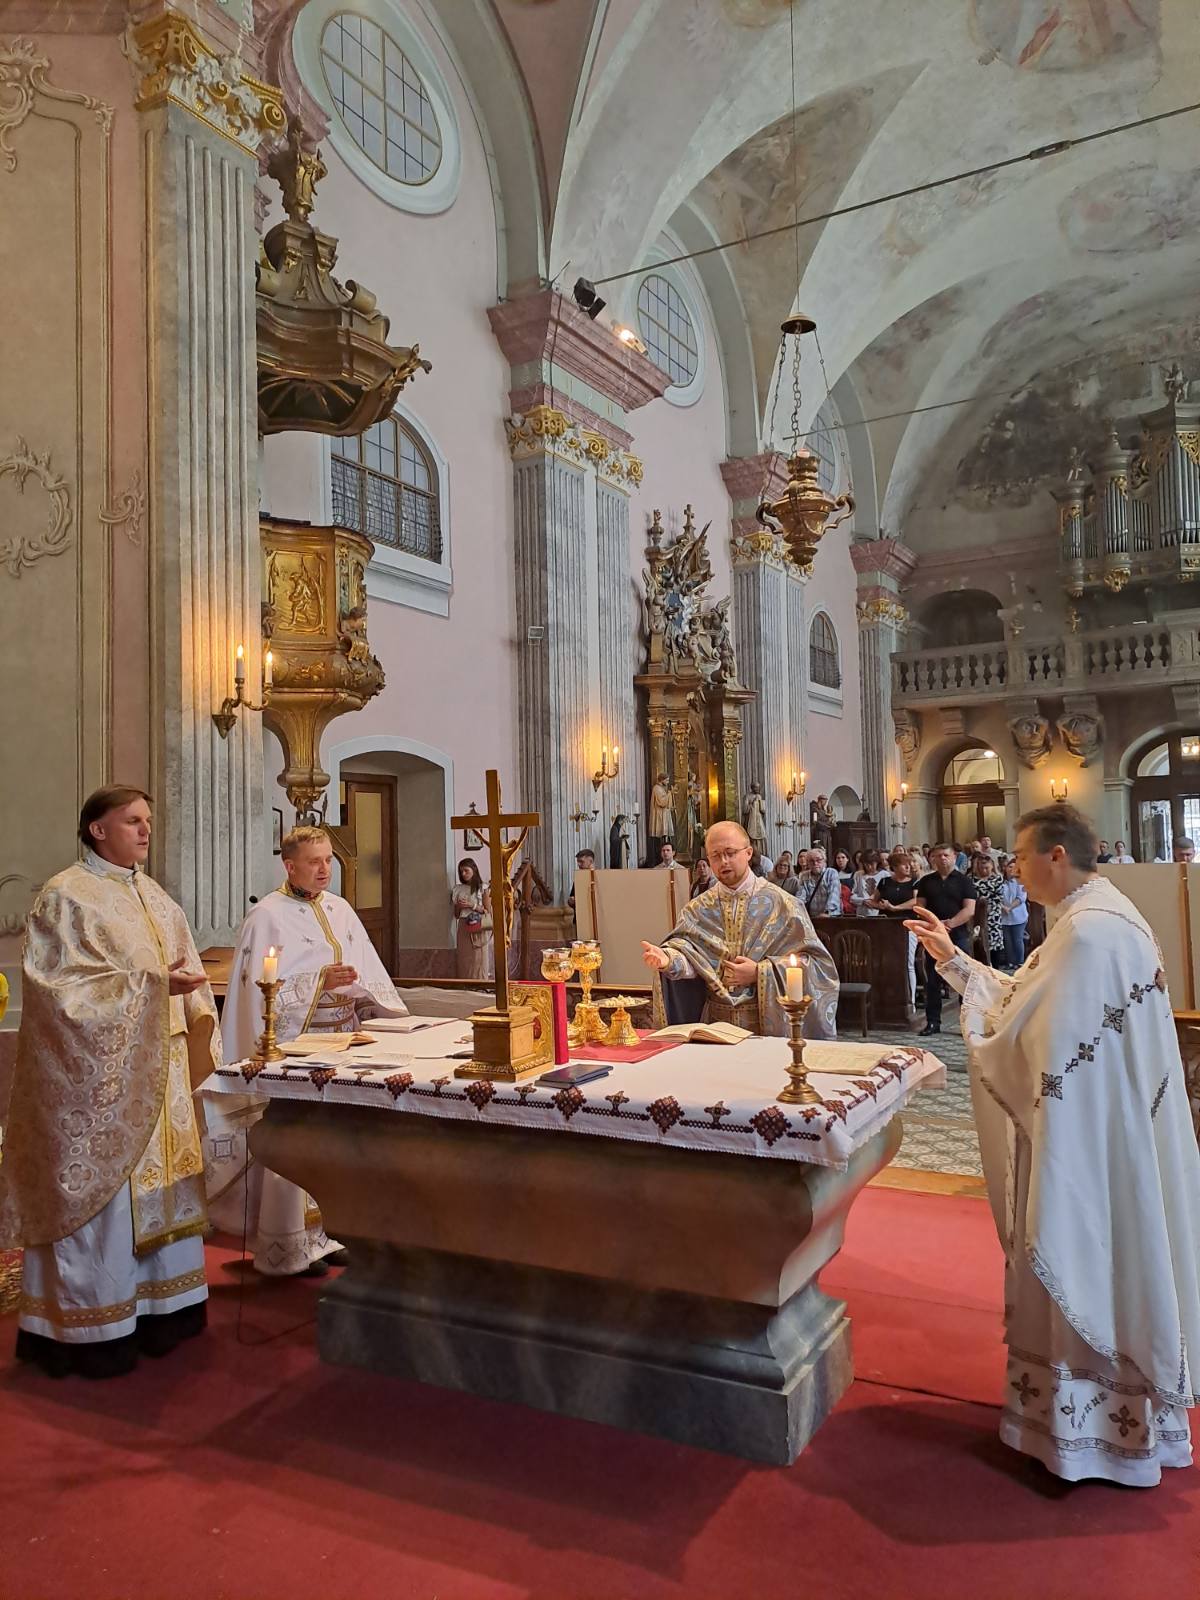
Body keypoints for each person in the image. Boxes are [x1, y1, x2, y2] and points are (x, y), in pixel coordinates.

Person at [905, 804, 1200, 1486]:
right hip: (1107, 1136)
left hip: (1086, 1149)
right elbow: (1032, 1006)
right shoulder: (1101, 919)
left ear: (1057, 856)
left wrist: (978, 1025)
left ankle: (1086, 1437)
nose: (1013, 868)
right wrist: (954, 963)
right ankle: (1100, 1429)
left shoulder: (1090, 936)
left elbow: (1031, 1045)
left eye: (1021, 855)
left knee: (1088, 1252)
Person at [0, 786, 219, 1377]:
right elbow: (58, 990)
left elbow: (186, 970)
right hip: (100, 1082)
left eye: (148, 821)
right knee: (107, 1203)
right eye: (132, 821)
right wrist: (149, 988)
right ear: (98, 829)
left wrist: (193, 1011)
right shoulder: (67, 896)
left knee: (163, 1195)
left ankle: (165, 1307)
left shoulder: (154, 895)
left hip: (162, 1068)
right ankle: (94, 1325)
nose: (146, 831)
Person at [205, 826, 409, 1278]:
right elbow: (257, 993)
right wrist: (319, 983)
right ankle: (290, 1242)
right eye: (314, 861)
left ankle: (336, 1233)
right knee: (297, 1141)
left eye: (328, 860)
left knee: (341, 1141)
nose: (323, 870)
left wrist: (369, 1001)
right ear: (289, 865)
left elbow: (372, 972)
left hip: (346, 1043)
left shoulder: (341, 909)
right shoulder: (267, 918)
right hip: (296, 1049)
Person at [641, 820, 839, 1039]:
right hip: (713, 1029)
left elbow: (820, 967)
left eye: (730, 852)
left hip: (768, 1030)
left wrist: (759, 972)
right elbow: (693, 959)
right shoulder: (697, 909)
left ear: (748, 852)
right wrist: (668, 960)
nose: (723, 861)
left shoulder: (785, 905)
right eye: (715, 855)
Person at [914, 844, 976, 1037]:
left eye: (946, 855)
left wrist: (949, 924)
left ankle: (968, 1024)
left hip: (958, 934)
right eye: (938, 855)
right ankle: (933, 1022)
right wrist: (934, 926)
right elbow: (920, 907)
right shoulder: (926, 881)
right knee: (933, 980)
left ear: (954, 857)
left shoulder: (964, 881)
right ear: (932, 859)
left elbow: (969, 909)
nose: (942, 859)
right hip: (934, 935)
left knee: (962, 980)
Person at [872, 850, 919, 1009]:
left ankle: (910, 1000)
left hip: (907, 925)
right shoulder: (885, 882)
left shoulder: (914, 883)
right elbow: (874, 899)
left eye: (909, 864)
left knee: (908, 962)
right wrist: (877, 905)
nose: (908, 867)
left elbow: (916, 901)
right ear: (894, 867)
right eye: (904, 864)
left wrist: (895, 908)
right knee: (886, 962)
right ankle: (887, 997)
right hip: (886, 926)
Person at [452, 857, 492, 981]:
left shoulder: (483, 888)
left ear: (474, 870)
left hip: (478, 926)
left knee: (478, 959)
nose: (463, 874)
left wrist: (472, 905)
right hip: (463, 925)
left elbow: (487, 911)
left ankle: (480, 985)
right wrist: (459, 906)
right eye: (461, 872)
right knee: (464, 959)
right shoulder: (458, 889)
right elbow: (457, 915)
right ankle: (464, 985)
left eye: (466, 871)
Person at [970, 852, 1005, 967]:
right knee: (979, 944)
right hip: (977, 915)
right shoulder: (971, 879)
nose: (984, 869)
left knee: (994, 948)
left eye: (986, 867)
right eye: (981, 867)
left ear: (992, 866)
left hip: (993, 917)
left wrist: (987, 903)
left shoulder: (997, 879)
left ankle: (996, 968)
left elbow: (999, 897)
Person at [998, 856, 1029, 969]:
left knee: (1017, 939)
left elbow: (1021, 897)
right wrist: (1002, 907)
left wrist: (1010, 907)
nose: (1011, 869)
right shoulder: (1000, 881)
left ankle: (1020, 962)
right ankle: (1010, 962)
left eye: (1013, 867)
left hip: (1018, 915)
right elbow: (996, 896)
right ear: (1005, 868)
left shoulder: (1020, 880)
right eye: (1009, 867)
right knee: (1007, 941)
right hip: (1004, 917)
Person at [797, 846, 842, 919]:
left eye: (818, 860)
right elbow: (800, 897)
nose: (815, 863)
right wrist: (797, 910)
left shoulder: (831, 873)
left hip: (831, 916)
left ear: (824, 861)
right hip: (812, 917)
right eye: (811, 861)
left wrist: (827, 912)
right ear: (808, 863)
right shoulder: (803, 876)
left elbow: (834, 895)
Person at [850, 849, 891, 917]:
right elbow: (852, 896)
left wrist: (876, 903)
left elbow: (887, 896)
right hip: (862, 914)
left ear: (877, 862)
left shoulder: (885, 875)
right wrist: (864, 901)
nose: (869, 867)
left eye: (872, 864)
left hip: (880, 913)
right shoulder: (858, 875)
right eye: (866, 864)